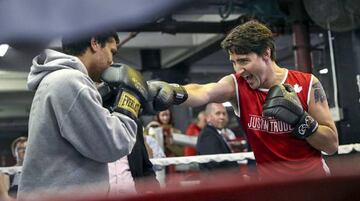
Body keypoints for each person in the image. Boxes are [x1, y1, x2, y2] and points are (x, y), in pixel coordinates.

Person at [148, 20, 338, 180]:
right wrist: (173, 91)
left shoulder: (307, 84)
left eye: (244, 60)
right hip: (273, 189)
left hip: (315, 183)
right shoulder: (237, 86)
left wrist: (301, 121)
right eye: (234, 61)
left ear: (266, 53)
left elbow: (331, 145)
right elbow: (204, 91)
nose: (238, 69)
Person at [18, 31, 150, 201]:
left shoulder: (59, 79)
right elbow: (113, 145)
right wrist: (130, 100)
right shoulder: (70, 82)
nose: (112, 61)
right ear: (95, 43)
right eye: (112, 51)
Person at [196, 103, 239, 171]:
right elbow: (215, 164)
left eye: (224, 113)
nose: (222, 117)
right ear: (208, 117)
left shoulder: (215, 133)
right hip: (219, 180)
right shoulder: (207, 135)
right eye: (218, 113)